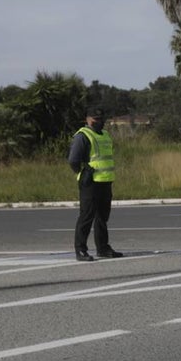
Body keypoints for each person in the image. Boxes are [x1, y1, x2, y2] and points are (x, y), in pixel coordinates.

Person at [68, 106, 123, 260]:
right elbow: (73, 160)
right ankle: (80, 250)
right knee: (86, 216)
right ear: (88, 119)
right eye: (96, 119)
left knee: (102, 218)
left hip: (105, 181)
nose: (100, 121)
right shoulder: (82, 136)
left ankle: (103, 248)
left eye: (101, 119)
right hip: (90, 182)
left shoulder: (105, 135)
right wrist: (82, 172)